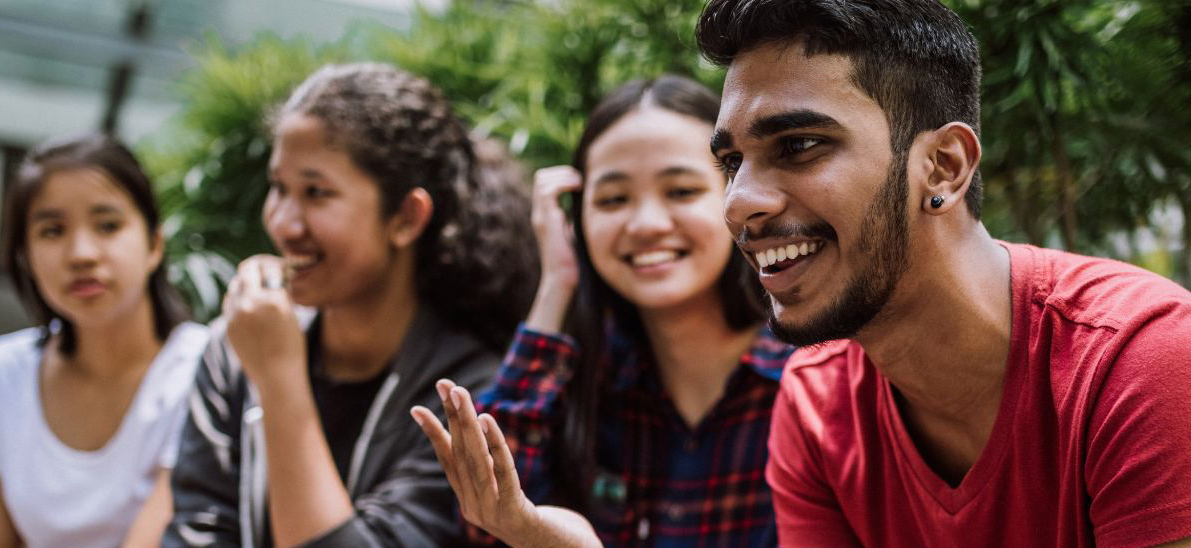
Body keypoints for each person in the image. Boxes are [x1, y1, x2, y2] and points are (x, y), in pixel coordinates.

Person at [692, 1, 1191, 546]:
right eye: (733, 163)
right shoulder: (817, 404)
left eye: (799, 146)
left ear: (945, 166)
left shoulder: (1143, 363)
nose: (737, 205)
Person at [162, 63, 539, 548]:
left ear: (405, 217)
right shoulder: (232, 351)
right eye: (279, 188)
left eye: (316, 193)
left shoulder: (469, 393)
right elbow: (196, 532)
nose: (283, 223)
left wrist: (279, 380)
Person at [413, 75, 796, 547]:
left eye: (680, 191)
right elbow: (487, 522)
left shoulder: (812, 380)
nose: (647, 224)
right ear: (580, 218)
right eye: (613, 199)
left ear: (736, 195)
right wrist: (557, 283)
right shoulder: (586, 382)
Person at [0, 134, 210, 548]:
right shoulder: (5, 370)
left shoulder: (205, 365)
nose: (81, 254)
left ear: (154, 244)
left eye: (108, 225)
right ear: (26, 256)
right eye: (52, 230)